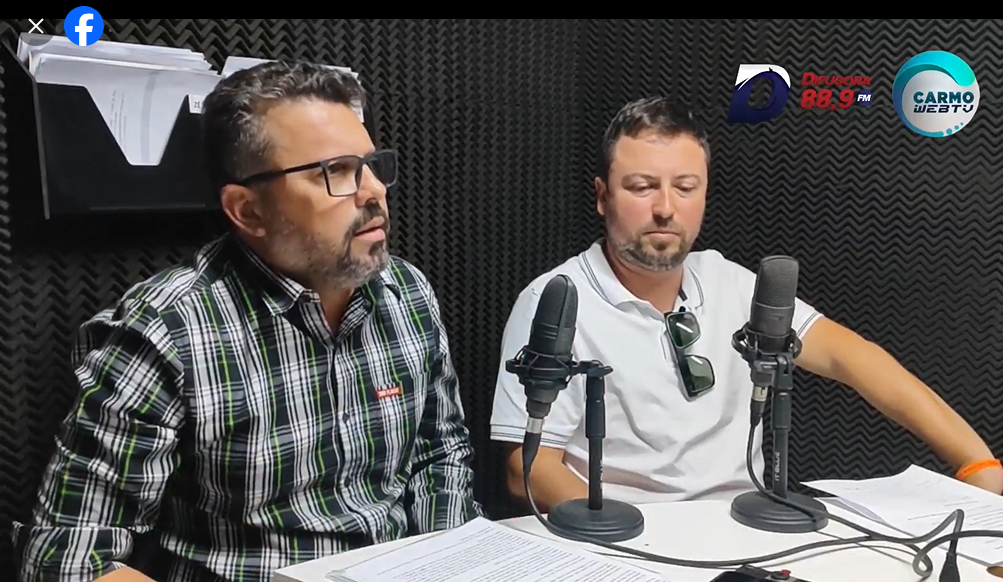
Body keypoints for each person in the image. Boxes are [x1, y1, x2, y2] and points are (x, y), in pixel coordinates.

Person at [14, 61, 481, 582]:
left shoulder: (407, 292)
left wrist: (448, 563)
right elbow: (70, 558)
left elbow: (440, 453)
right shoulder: (166, 331)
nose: (374, 190)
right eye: (337, 171)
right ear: (248, 210)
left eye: (372, 165)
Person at [490, 96, 1003, 512]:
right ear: (602, 196)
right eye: (642, 187)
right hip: (624, 541)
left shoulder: (730, 282)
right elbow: (526, 469)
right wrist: (637, 537)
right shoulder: (554, 301)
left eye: (685, 187)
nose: (665, 208)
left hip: (744, 534)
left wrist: (977, 464)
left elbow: (854, 358)